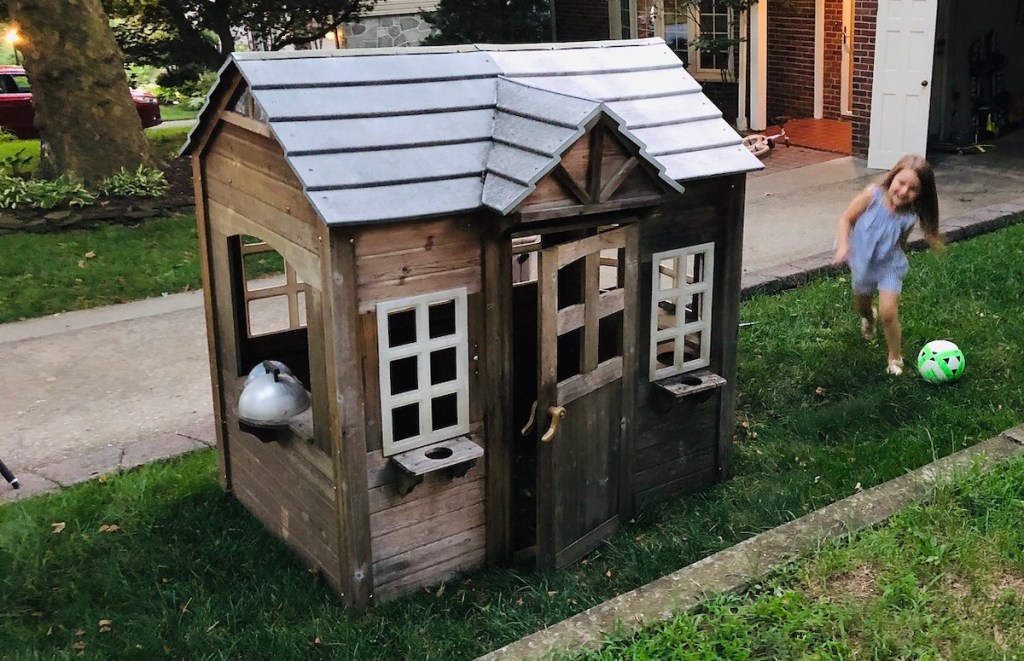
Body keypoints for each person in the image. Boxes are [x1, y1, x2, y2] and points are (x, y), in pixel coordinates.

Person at [833, 154, 943, 375]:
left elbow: (900, 241)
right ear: (892, 177)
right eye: (901, 183)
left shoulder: (909, 216)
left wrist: (901, 255)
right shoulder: (872, 196)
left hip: (889, 266)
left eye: (913, 189)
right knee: (862, 307)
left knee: (889, 313)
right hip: (863, 260)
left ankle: (895, 356)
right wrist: (844, 246)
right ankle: (868, 318)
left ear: (920, 194)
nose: (904, 192)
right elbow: (846, 218)